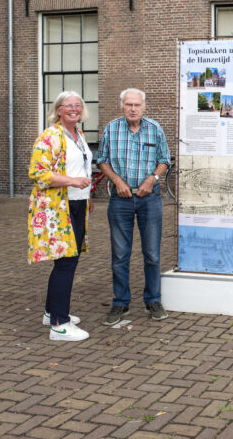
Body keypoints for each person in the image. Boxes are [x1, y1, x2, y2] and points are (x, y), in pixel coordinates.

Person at [98, 88, 171, 325]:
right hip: (121, 199)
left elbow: (164, 160)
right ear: (121, 106)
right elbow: (102, 161)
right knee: (120, 255)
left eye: (137, 105)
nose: (132, 109)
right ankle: (120, 302)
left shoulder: (155, 128)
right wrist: (117, 181)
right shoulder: (111, 128)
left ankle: (153, 300)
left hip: (150, 199)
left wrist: (152, 179)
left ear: (144, 107)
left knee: (151, 254)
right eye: (128, 104)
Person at [28, 90, 93, 341]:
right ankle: (59, 324)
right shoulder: (50, 136)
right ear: (58, 110)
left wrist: (85, 195)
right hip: (58, 206)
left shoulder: (77, 133)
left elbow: (80, 166)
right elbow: (37, 172)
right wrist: (72, 181)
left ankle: (50, 312)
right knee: (66, 262)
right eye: (68, 105)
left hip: (76, 203)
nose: (74, 109)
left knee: (67, 260)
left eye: (78, 105)